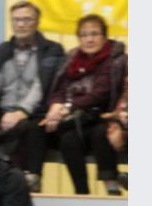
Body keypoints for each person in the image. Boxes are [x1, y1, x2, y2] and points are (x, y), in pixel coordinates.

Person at [0, 0, 65, 191]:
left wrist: (21, 112)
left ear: (37, 22)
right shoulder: (0, 52)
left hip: (34, 114)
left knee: (32, 128)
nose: (20, 24)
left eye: (26, 19)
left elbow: (42, 85)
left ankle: (31, 179)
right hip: (0, 113)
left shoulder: (52, 50)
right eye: (16, 20)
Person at [38, 14, 127, 195]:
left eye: (94, 34)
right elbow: (58, 88)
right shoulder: (71, 58)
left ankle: (110, 182)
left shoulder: (115, 59)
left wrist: (66, 108)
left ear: (104, 36)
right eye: (84, 35)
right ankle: (82, 193)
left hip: (104, 115)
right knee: (67, 139)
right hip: (74, 119)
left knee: (100, 133)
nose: (89, 39)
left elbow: (101, 92)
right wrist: (56, 106)